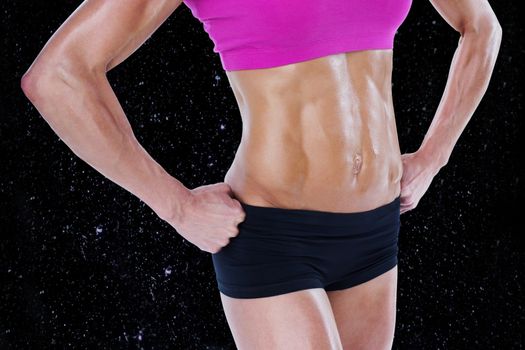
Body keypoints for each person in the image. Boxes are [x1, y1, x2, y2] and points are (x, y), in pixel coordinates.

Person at [20, 0, 502, 348]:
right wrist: (175, 205)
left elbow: (481, 26)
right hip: (274, 237)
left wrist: (434, 157)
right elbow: (58, 76)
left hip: (375, 232)